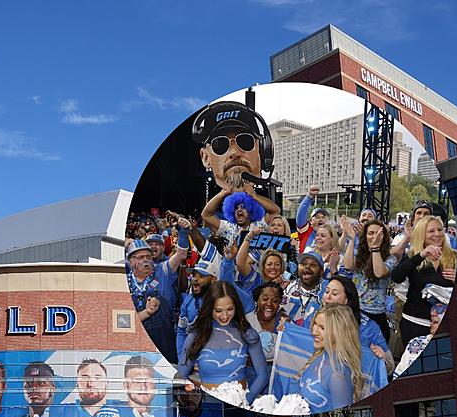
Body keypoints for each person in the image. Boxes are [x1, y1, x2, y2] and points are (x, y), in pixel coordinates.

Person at [193, 101, 280, 246]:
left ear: (263, 150)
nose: (234, 153)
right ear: (206, 157)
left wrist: (254, 196)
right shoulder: (228, 228)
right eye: (220, 144)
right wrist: (223, 193)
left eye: (245, 141)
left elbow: (275, 211)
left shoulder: (258, 227)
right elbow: (206, 215)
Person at [178, 281, 268, 403]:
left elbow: (262, 375)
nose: (225, 316)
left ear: (236, 306)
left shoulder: (248, 333)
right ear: (209, 308)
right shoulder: (196, 335)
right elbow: (181, 376)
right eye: (218, 311)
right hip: (208, 405)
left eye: (230, 309)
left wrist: (246, 400)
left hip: (240, 405)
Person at [126, 228, 190, 364]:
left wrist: (183, 233)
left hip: (163, 336)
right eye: (141, 257)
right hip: (135, 340)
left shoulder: (162, 270)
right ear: (131, 261)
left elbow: (181, 254)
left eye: (148, 257)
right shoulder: (123, 280)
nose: (146, 260)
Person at [391, 215, 457, 345]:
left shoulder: (454, 256)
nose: (437, 234)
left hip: (443, 324)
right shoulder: (412, 256)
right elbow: (396, 277)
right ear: (422, 234)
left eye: (440, 230)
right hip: (414, 322)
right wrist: (421, 255)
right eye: (431, 231)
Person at [311, 276, 393, 375]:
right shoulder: (314, 316)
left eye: (334, 293)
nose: (328, 297)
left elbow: (390, 367)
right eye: (327, 291)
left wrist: (382, 360)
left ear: (347, 300)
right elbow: (299, 340)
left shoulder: (369, 327)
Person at [296, 304, 365, 412]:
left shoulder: (338, 374)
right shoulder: (320, 356)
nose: (314, 332)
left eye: (322, 328)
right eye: (315, 324)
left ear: (339, 332)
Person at [342, 219, 397, 344]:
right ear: (365, 235)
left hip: (376, 316)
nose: (374, 236)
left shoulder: (390, 258)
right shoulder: (360, 255)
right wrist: (351, 239)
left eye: (379, 233)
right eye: (371, 233)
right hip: (355, 312)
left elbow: (379, 272)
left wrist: (375, 248)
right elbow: (348, 265)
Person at [278, 251, 326, 326]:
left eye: (313, 265)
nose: (307, 266)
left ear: (321, 272)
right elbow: (281, 311)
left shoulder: (327, 289)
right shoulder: (290, 287)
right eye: (303, 264)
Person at [245, 281, 285, 367]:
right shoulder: (246, 320)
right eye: (265, 299)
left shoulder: (284, 323)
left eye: (275, 300)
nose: (269, 304)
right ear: (257, 299)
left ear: (279, 303)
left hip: (273, 375)